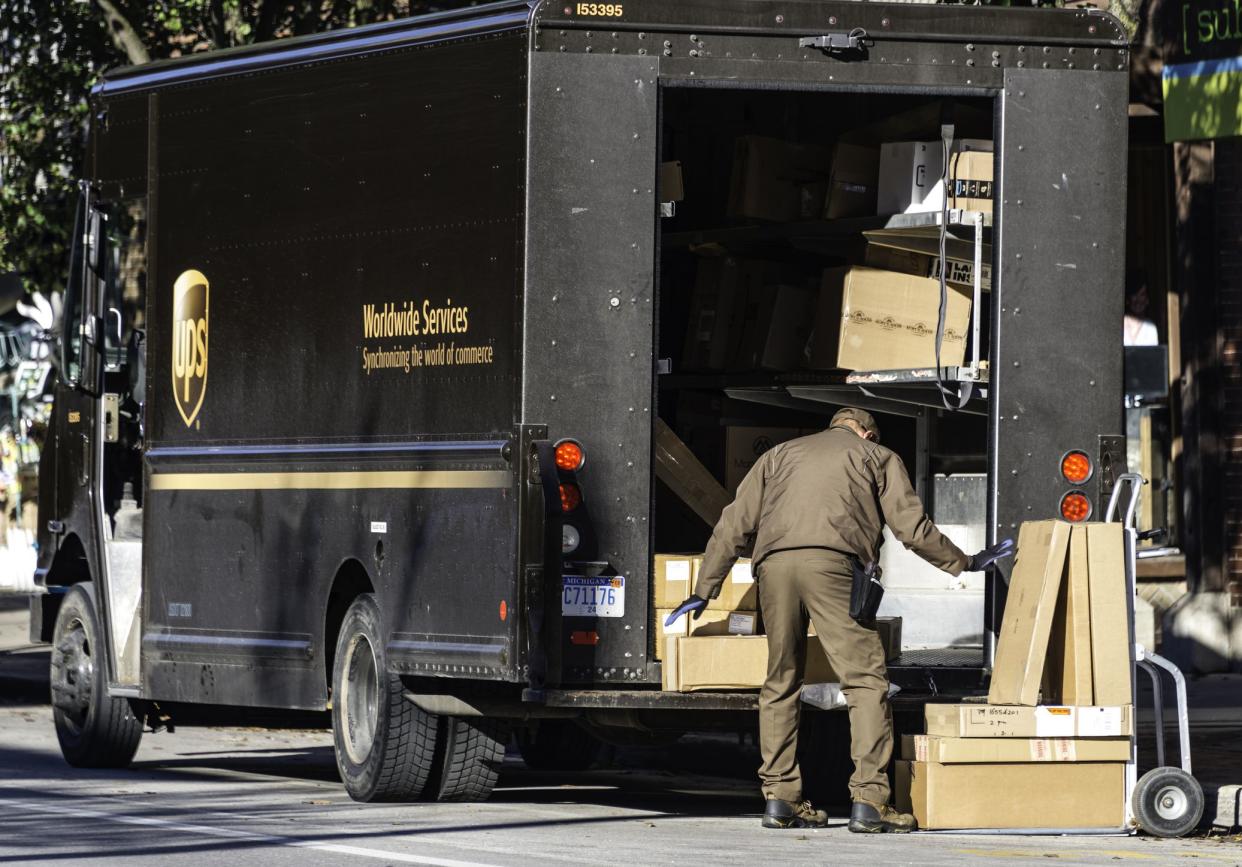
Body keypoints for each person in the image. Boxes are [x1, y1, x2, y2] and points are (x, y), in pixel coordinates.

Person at [667, 408, 1013, 833]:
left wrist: (706, 588)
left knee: (781, 681)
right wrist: (965, 561)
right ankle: (870, 801)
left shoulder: (778, 455)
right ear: (866, 432)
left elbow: (733, 522)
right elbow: (911, 528)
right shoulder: (876, 456)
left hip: (773, 568)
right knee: (865, 681)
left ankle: (780, 798)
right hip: (831, 564)